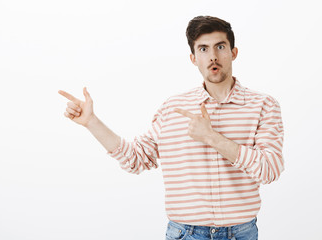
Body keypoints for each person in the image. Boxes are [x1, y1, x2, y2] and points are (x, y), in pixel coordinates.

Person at [58, 16, 284, 240]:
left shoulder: (263, 106)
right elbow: (136, 159)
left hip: (241, 233)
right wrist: (91, 122)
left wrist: (212, 138)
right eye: (203, 49)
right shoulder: (174, 108)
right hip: (186, 234)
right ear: (193, 58)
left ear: (233, 53)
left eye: (220, 47)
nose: (213, 56)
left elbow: (270, 170)